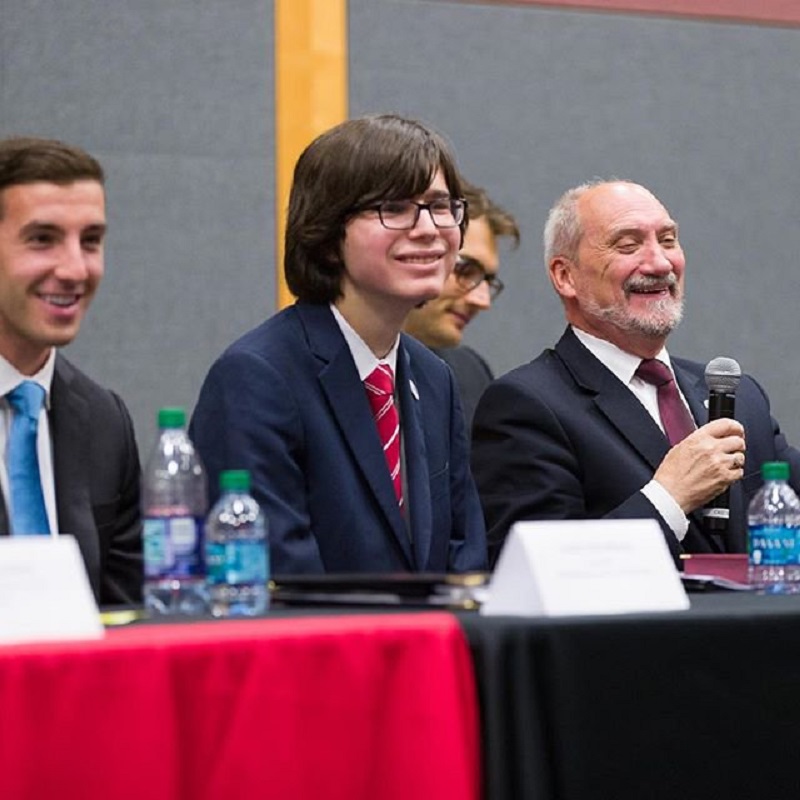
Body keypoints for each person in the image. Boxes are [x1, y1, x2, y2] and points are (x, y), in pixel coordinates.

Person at [190, 114, 487, 574]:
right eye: (395, 207)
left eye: (441, 205)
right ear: (328, 236)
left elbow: (463, 554)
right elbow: (276, 576)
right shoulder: (258, 376)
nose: (429, 228)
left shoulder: (433, 377)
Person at [471, 178, 800, 566]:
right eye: (627, 245)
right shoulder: (527, 405)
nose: (660, 263)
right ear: (565, 276)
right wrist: (668, 497)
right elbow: (538, 572)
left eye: (668, 240)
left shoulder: (741, 398)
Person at [0, 137, 142, 603]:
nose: (75, 269)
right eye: (42, 239)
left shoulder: (104, 422)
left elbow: (126, 617)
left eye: (91, 241)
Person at [403, 181, 519, 428]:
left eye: (488, 281)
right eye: (467, 271)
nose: (482, 301)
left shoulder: (468, 374)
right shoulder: (307, 368)